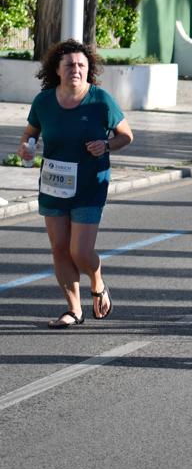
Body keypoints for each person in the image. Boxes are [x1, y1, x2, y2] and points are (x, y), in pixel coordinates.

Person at [16, 40, 133, 329]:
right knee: (59, 248)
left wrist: (106, 144)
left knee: (79, 251)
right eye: (69, 65)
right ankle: (74, 310)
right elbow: (29, 135)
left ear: (88, 69)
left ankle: (97, 281)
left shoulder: (100, 100)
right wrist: (26, 149)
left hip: (90, 184)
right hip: (54, 183)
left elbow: (126, 135)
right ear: (57, 69)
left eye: (82, 65)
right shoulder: (43, 101)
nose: (76, 70)